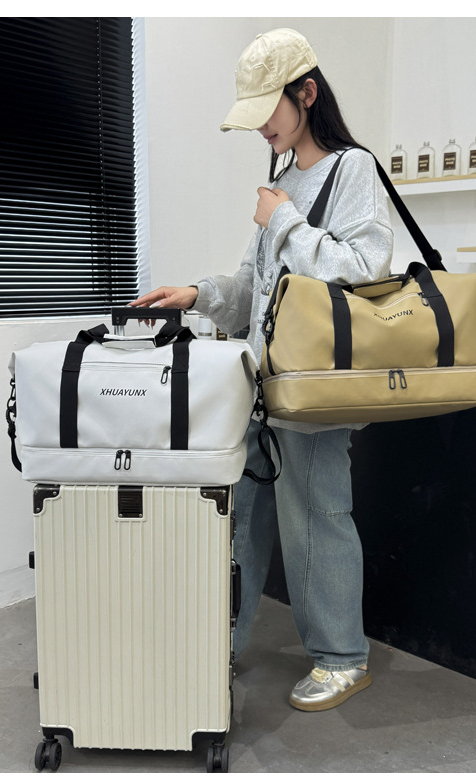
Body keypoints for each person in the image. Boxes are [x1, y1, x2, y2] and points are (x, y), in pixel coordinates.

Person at [130, 28, 393, 712]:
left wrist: (284, 224)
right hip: (261, 381)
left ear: (306, 93)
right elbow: (255, 288)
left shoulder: (352, 170)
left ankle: (342, 658)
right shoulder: (283, 183)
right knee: (238, 514)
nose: (261, 129)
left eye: (267, 110)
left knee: (317, 519)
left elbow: (365, 269)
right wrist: (197, 294)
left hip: (315, 385)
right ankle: (221, 640)